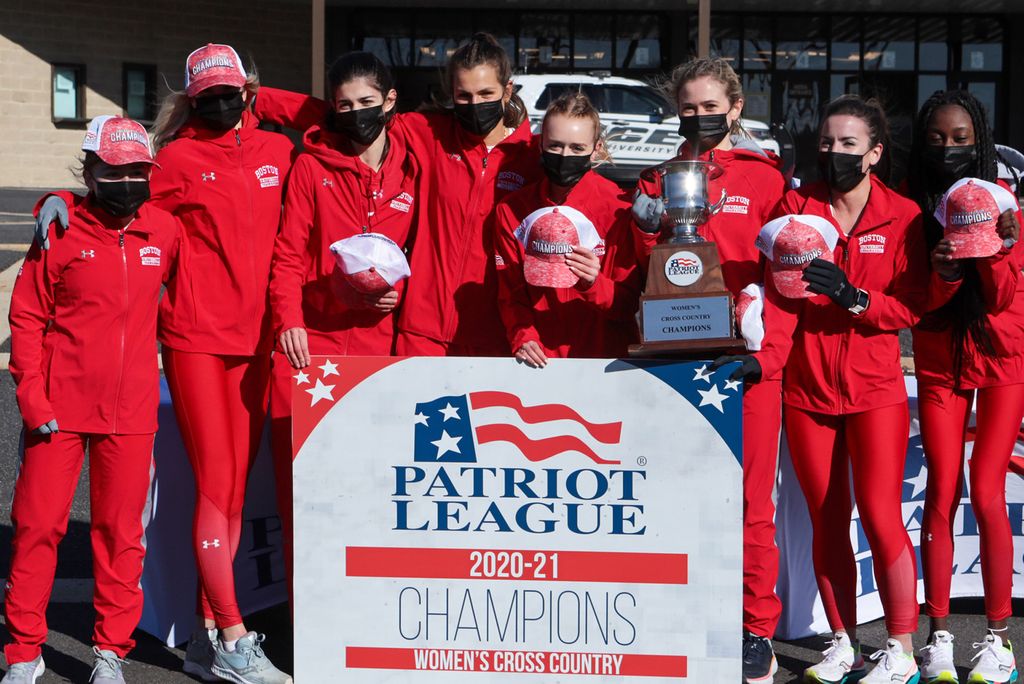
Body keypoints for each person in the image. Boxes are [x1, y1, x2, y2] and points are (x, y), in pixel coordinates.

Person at [721, 95, 928, 684]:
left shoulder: (903, 215)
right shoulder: (795, 206)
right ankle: (843, 642)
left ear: (875, 153)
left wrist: (854, 299)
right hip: (808, 391)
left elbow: (909, 309)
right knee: (825, 519)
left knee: (883, 517)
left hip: (875, 391)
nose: (833, 153)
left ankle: (902, 650)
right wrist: (767, 359)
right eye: (827, 143)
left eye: (848, 145)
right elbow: (777, 299)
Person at [5, 116, 180, 684]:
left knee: (120, 535)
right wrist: (33, 398)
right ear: (91, 171)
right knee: (36, 528)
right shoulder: (58, 230)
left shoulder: (165, 231)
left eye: (137, 171)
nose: (127, 181)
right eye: (114, 171)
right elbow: (27, 318)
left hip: (130, 412)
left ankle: (111, 652)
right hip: (57, 409)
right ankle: (24, 652)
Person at [632, 56, 786, 684]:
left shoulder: (770, 182)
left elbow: (786, 280)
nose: (698, 117)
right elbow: (630, 275)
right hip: (672, 359)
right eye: (687, 107)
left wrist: (765, 357)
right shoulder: (652, 182)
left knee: (750, 506)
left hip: (743, 365)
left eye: (708, 105)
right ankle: (679, 612)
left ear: (736, 107)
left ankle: (756, 630)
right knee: (673, 499)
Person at [146, 44, 295, 683]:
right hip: (196, 339)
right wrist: (54, 206)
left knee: (234, 491)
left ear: (249, 89)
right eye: (205, 95)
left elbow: (324, 120)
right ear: (190, 98)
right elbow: (120, 209)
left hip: (259, 342)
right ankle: (235, 638)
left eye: (230, 91)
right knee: (215, 487)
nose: (220, 103)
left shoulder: (279, 151)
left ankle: (209, 638)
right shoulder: (176, 158)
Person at [268, 51, 418, 593]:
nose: (356, 114)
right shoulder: (311, 167)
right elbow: (286, 256)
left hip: (384, 350)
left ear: (390, 102)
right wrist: (290, 319)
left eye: (367, 104)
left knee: (376, 488)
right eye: (344, 106)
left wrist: (403, 295)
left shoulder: (413, 166)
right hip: (319, 344)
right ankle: (305, 616)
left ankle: (368, 610)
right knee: (306, 491)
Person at [907, 90, 1021, 684]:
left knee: (988, 492)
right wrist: (944, 272)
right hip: (939, 360)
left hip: (1002, 359)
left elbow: (1004, 297)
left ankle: (1000, 639)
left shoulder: (1005, 204)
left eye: (959, 139)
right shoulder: (910, 207)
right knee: (941, 494)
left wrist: (998, 251)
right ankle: (939, 636)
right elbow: (913, 304)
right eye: (935, 140)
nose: (948, 149)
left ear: (980, 138)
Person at [393, 32, 543, 356]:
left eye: (486, 93)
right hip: (422, 331)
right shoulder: (429, 134)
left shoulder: (534, 157)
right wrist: (259, 100)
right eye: (464, 96)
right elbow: (355, 115)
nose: (476, 105)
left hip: (495, 336)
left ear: (507, 91)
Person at [494, 91, 641, 363]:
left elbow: (629, 303)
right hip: (538, 359)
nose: (564, 156)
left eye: (577, 148)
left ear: (596, 148)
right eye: (555, 146)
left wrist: (594, 283)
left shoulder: (620, 208)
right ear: (541, 144)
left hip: (605, 357)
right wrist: (523, 335)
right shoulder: (512, 209)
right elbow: (510, 291)